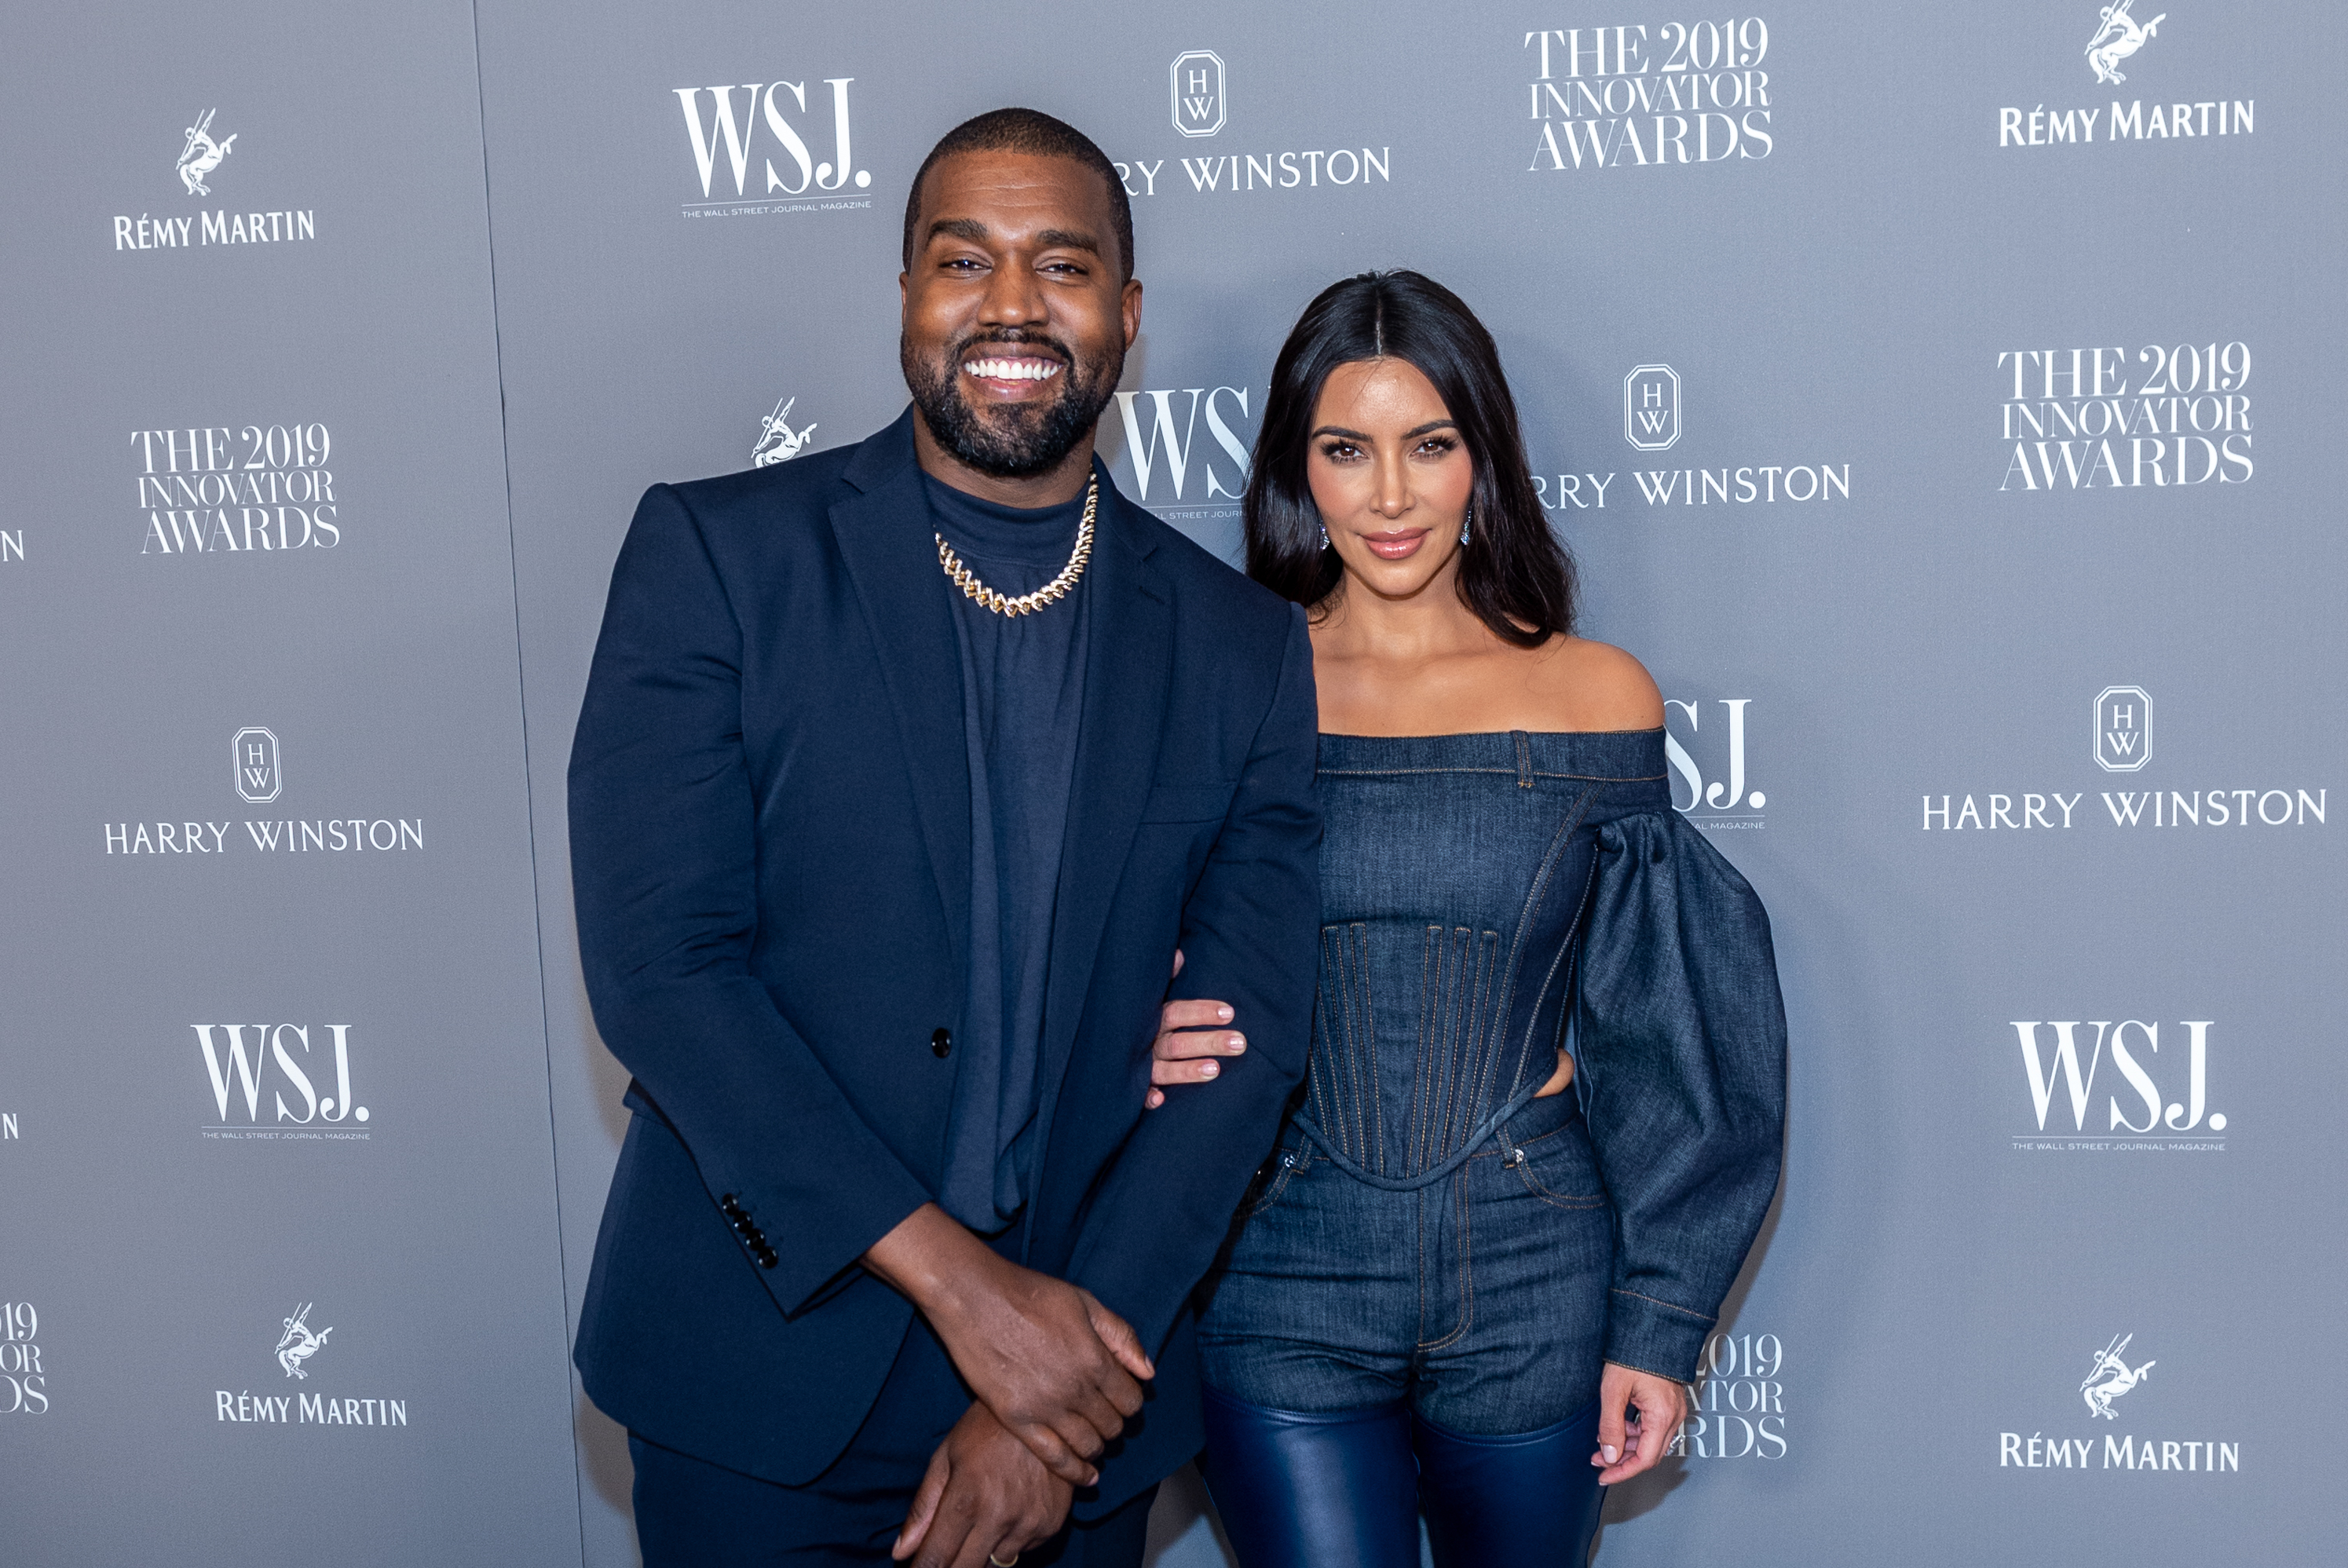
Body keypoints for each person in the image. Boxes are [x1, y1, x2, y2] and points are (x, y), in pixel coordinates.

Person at [566, 108, 1321, 1567]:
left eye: (1064, 264)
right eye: (962, 260)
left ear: (1128, 313)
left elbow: (1247, 1048)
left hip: (1081, 1407)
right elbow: (665, 971)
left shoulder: (1239, 648)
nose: (1014, 307)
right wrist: (979, 1303)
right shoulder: (721, 560)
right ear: (906, 294)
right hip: (762, 1385)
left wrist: (1059, 1394)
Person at [1182, 272, 1787, 1566]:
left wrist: (1660, 1320)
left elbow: (1665, 1026)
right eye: (1346, 449)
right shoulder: (1227, 686)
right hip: (1279, 1259)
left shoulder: (1593, 694)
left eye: (1430, 445)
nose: (1390, 495)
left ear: (1483, 460)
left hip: (1535, 1271)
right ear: (1301, 468)